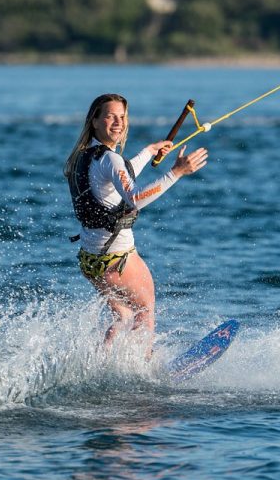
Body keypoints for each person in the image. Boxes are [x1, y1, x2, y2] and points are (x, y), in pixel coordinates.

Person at [65, 93, 208, 352]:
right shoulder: (110, 159)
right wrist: (176, 172)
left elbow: (115, 177)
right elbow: (135, 198)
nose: (118, 122)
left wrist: (149, 151)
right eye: (110, 116)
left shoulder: (83, 157)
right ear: (95, 121)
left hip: (90, 260)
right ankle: (144, 372)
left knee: (124, 316)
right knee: (144, 309)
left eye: (122, 117)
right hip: (117, 258)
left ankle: (101, 364)